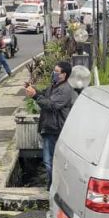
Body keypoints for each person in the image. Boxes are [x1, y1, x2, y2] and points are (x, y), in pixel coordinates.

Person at [24, 61, 76, 190]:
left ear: (64, 74)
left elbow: (51, 105)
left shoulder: (65, 90)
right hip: (49, 127)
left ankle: (54, 187)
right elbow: (44, 95)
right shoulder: (54, 86)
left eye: (57, 72)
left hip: (55, 129)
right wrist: (33, 89)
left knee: (50, 161)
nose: (54, 73)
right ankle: (52, 186)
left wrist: (35, 96)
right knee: (50, 160)